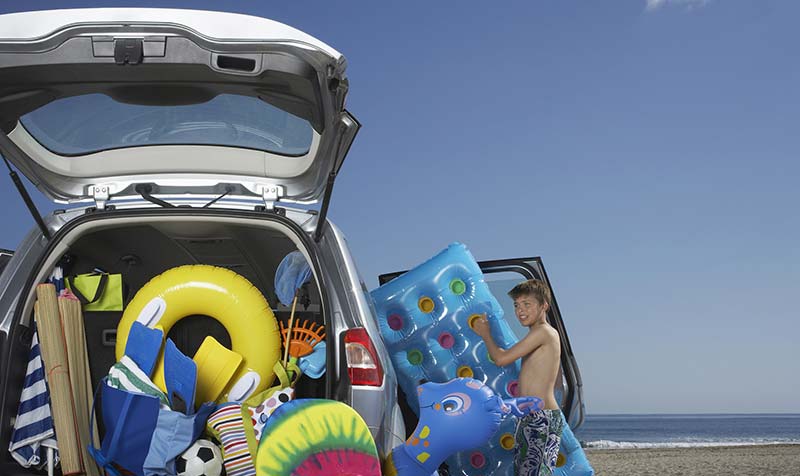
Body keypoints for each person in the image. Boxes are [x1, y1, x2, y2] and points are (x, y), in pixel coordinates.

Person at [471, 279, 563, 476]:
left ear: (544, 305)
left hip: (542, 418)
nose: (520, 310)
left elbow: (501, 359)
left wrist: (485, 334)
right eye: (516, 305)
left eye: (527, 304)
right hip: (530, 417)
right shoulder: (538, 335)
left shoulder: (544, 332)